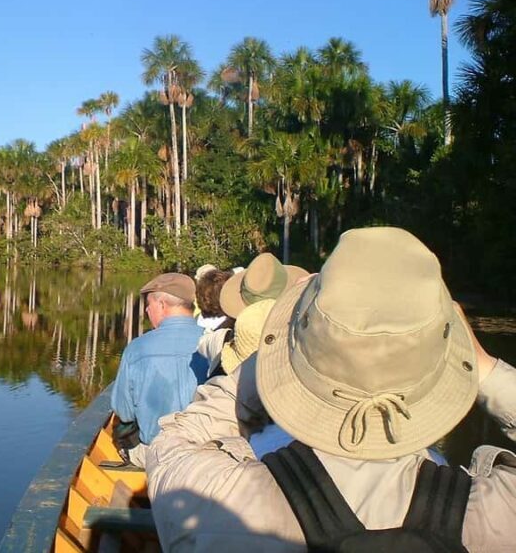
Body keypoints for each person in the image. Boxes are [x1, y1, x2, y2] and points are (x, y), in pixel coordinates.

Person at [147, 227, 516, 551]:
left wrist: (275, 352)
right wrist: (483, 369)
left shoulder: (222, 503)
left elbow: (174, 441)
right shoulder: (494, 516)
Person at [110, 272, 207, 468]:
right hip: (207, 455)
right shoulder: (217, 342)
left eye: (149, 305)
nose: (146, 311)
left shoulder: (137, 349)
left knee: (120, 434)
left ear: (162, 305)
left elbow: (124, 412)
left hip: (156, 454)